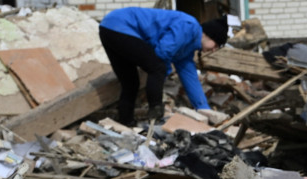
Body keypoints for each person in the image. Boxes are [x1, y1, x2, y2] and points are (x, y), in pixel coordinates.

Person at [96, 7, 229, 127]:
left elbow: (191, 79)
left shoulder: (187, 50)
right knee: (158, 67)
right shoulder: (189, 26)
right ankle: (155, 113)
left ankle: (126, 123)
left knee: (130, 82)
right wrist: (164, 73)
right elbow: (162, 52)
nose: (213, 50)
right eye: (216, 45)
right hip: (122, 25)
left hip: (107, 27)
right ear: (207, 34)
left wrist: (204, 109)